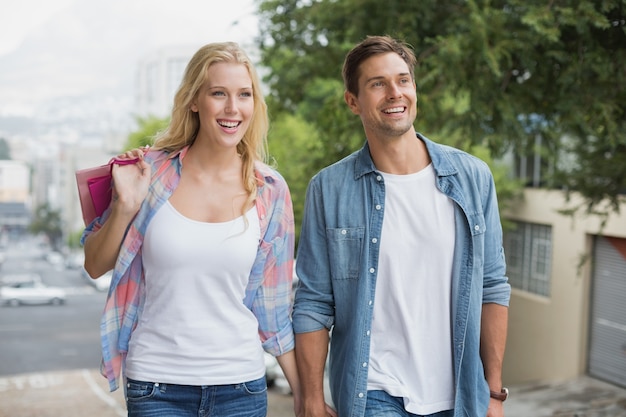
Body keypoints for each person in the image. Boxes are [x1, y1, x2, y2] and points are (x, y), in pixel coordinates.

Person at [292, 35, 511, 417]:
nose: (395, 93)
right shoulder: (329, 188)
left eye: (403, 80)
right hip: (375, 392)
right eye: (378, 84)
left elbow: (492, 286)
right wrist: (310, 397)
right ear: (353, 101)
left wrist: (493, 393)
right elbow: (313, 302)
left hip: (459, 396)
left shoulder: (472, 177)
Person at [82, 42, 301, 417]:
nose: (233, 108)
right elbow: (94, 264)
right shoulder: (147, 173)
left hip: (241, 388)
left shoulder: (270, 190)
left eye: (244, 95)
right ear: (194, 100)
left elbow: (275, 310)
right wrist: (124, 207)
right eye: (219, 93)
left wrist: (305, 395)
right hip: (157, 387)